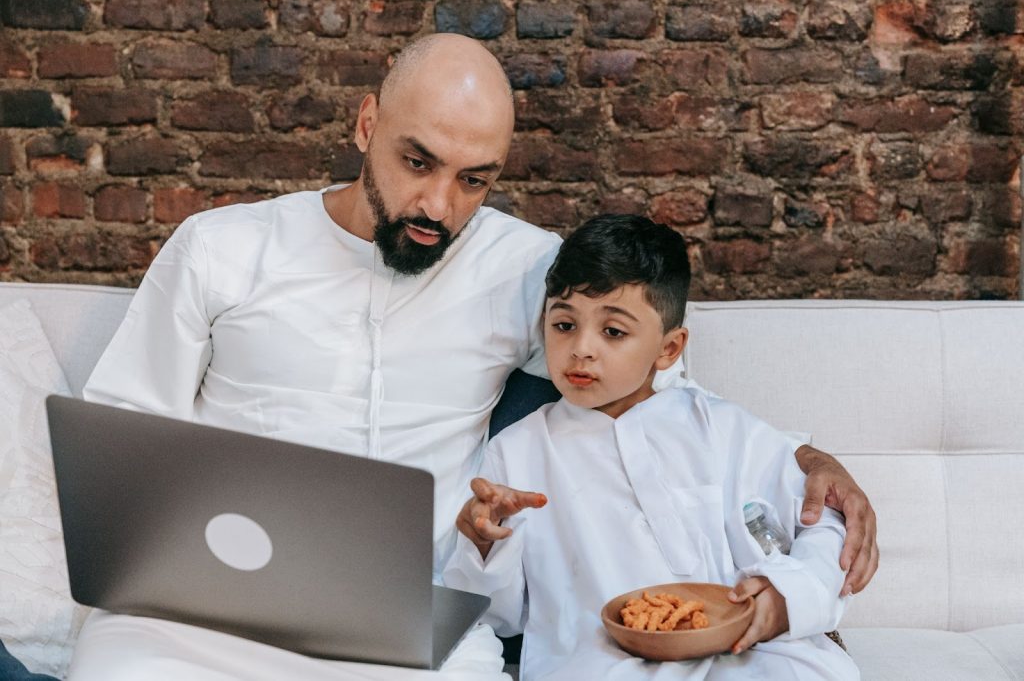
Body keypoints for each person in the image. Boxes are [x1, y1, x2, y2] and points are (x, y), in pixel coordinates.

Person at [71, 33, 875, 680]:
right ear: (364, 125)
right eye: (417, 162)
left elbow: (656, 389)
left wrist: (806, 459)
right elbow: (123, 434)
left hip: (416, 619)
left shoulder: (530, 270)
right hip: (207, 613)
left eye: (474, 180)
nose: (438, 206)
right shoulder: (222, 249)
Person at [444, 214, 860, 680]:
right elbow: (498, 615)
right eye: (563, 325)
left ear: (669, 349)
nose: (581, 348)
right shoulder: (517, 454)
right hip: (598, 664)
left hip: (751, 657)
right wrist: (482, 541)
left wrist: (787, 597)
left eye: (613, 332)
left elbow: (820, 521)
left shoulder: (722, 428)